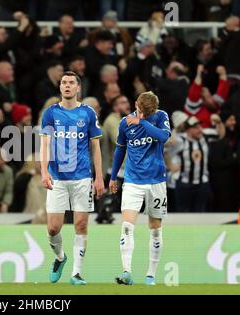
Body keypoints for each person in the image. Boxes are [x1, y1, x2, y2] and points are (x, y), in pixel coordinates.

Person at [40, 71, 105, 285]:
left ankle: (76, 273)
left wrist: (99, 177)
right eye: (63, 83)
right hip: (57, 178)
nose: (67, 86)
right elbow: (45, 144)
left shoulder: (87, 113)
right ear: (60, 88)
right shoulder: (50, 114)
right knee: (53, 228)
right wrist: (44, 170)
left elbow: (95, 146)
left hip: (82, 178)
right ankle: (60, 257)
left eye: (71, 83)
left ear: (78, 88)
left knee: (81, 224)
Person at [109, 91, 171, 286]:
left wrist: (142, 122)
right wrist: (112, 176)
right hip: (133, 181)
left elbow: (163, 137)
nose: (142, 115)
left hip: (156, 181)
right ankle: (127, 271)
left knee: (155, 229)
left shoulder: (161, 116)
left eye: (147, 113)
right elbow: (120, 148)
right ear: (135, 104)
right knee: (127, 226)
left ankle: (151, 275)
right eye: (140, 111)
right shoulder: (125, 123)